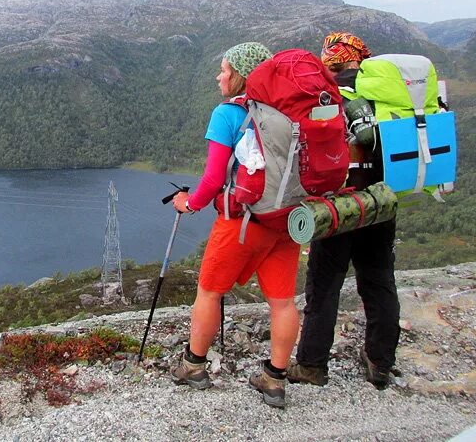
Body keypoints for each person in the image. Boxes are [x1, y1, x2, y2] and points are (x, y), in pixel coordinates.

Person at [169, 42, 301, 409]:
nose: (218, 76)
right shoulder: (290, 109)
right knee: (283, 302)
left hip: (243, 220)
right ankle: (275, 379)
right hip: (288, 218)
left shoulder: (228, 113)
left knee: (210, 291)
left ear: (240, 74)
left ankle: (193, 366)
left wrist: (190, 203)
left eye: (224, 70)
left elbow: (213, 178)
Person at [287, 32, 400, 389]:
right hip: (380, 200)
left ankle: (311, 365)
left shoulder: (329, 94)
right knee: (379, 280)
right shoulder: (384, 96)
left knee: (324, 284)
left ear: (333, 58)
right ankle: (380, 362)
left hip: (338, 202)